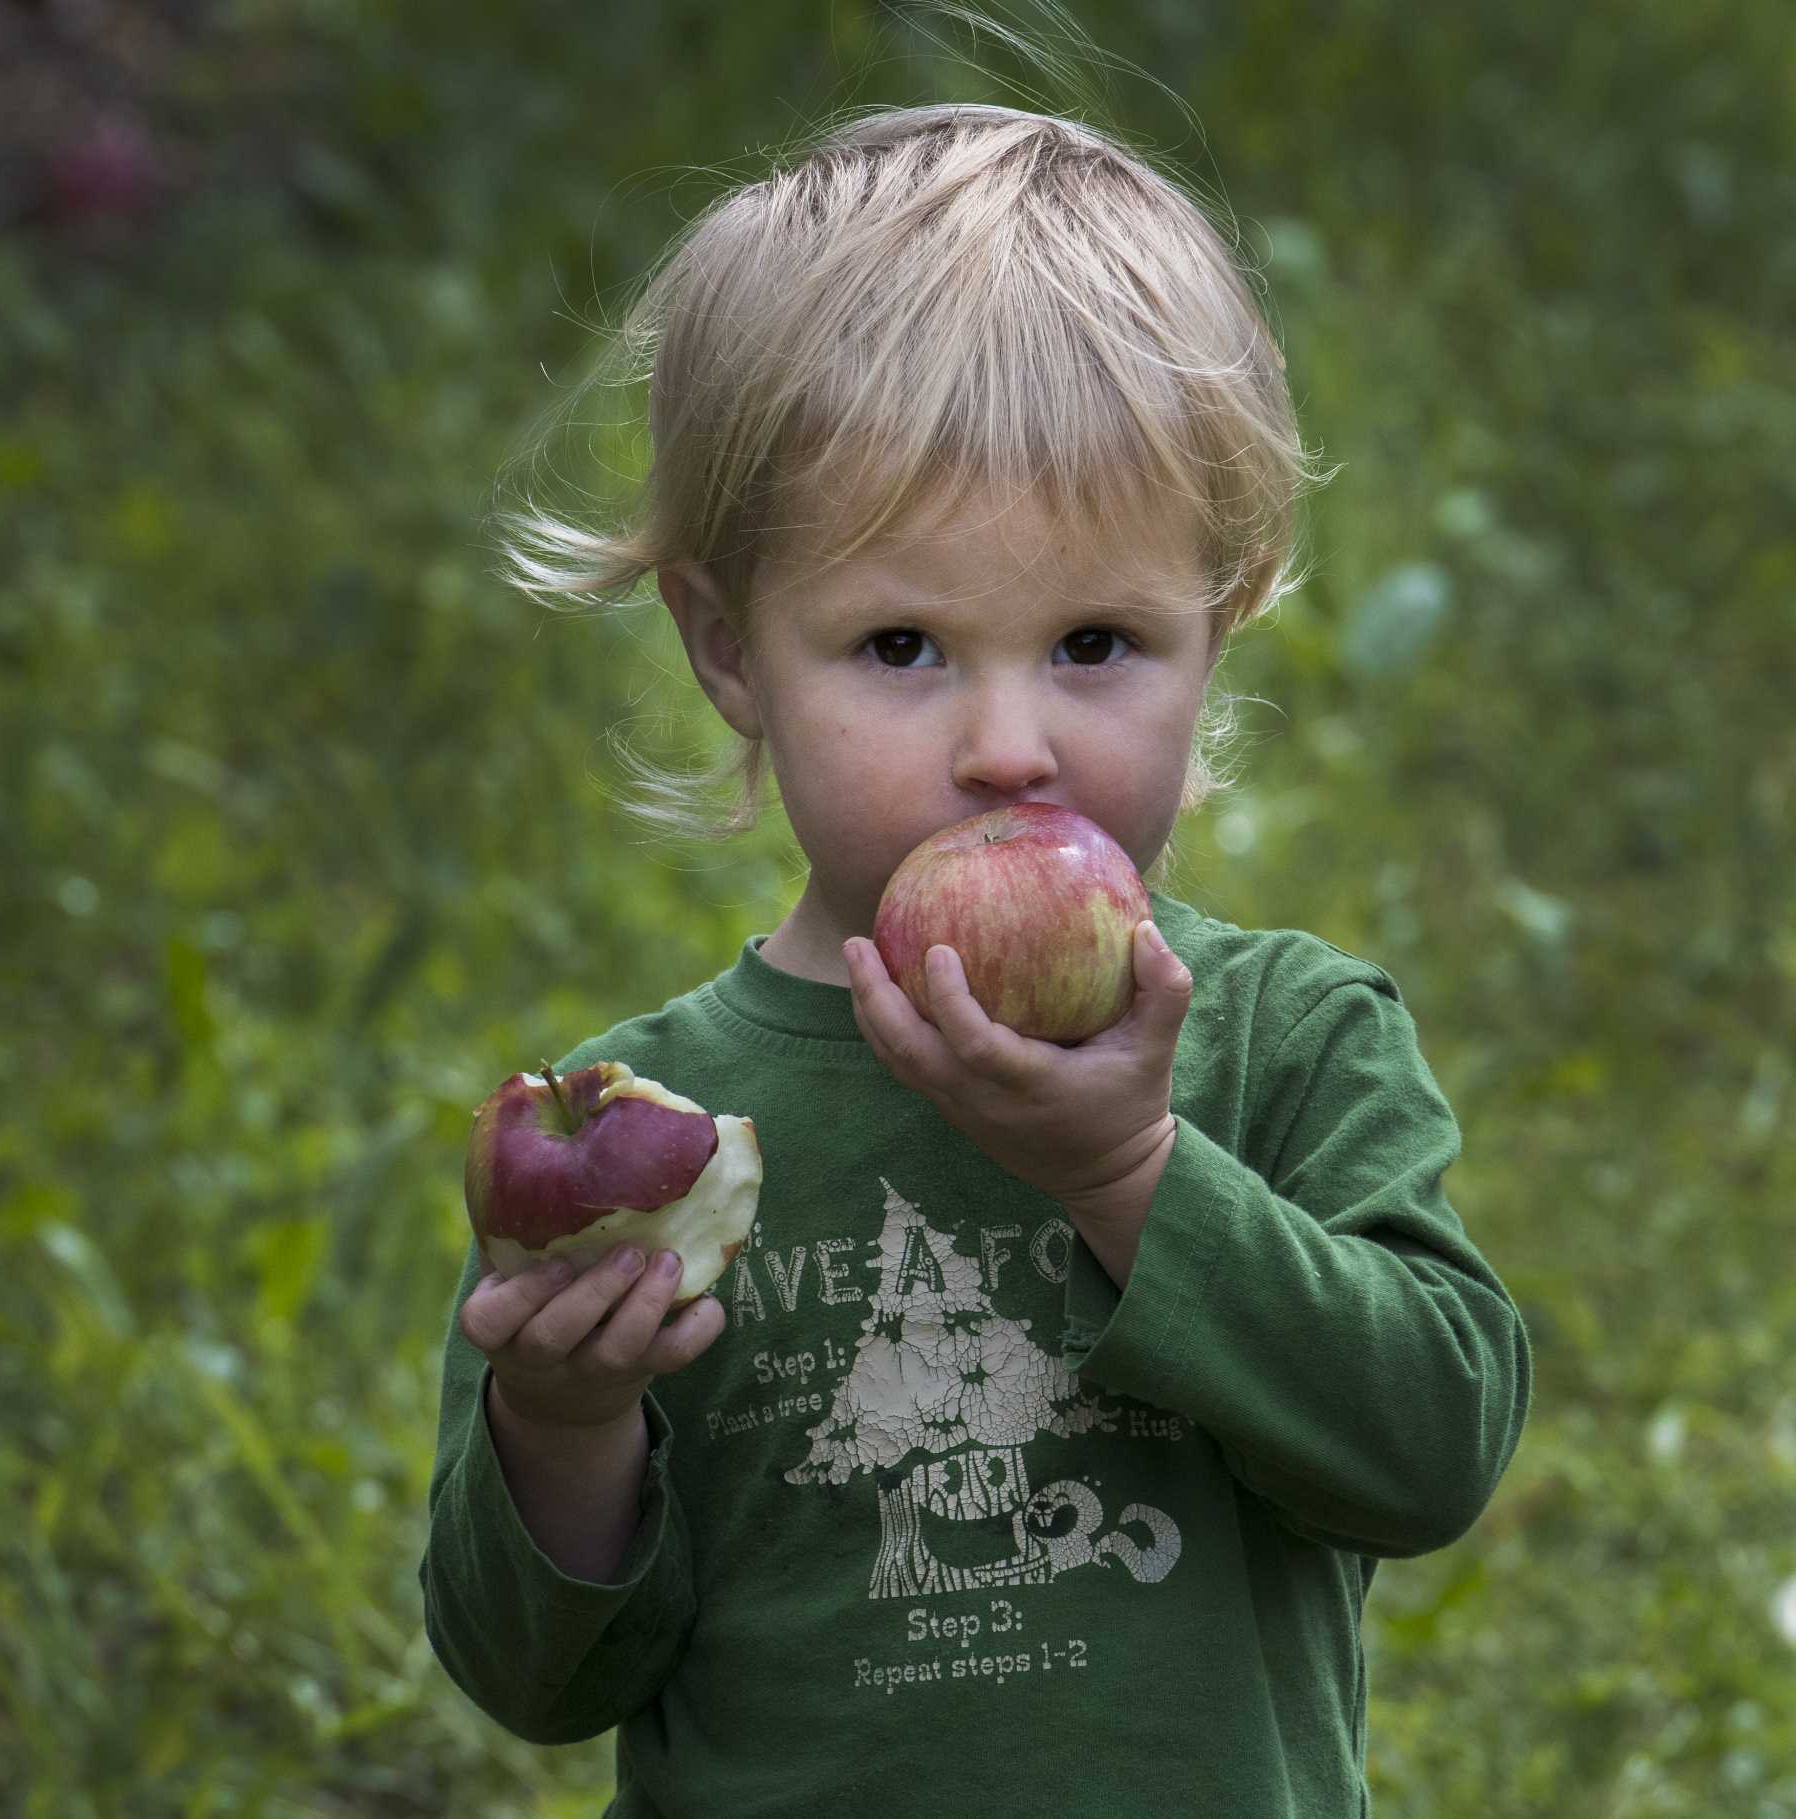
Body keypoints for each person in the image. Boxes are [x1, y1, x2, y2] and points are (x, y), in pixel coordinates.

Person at [421, 84, 1532, 1819]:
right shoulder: (647, 1137)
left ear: (1217, 629)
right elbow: (539, 1679)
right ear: (729, 650)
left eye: (1096, 640)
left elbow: (1428, 1452)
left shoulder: (1284, 1045)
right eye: (900, 645)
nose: (1009, 745)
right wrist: (563, 1424)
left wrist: (1135, 1173)